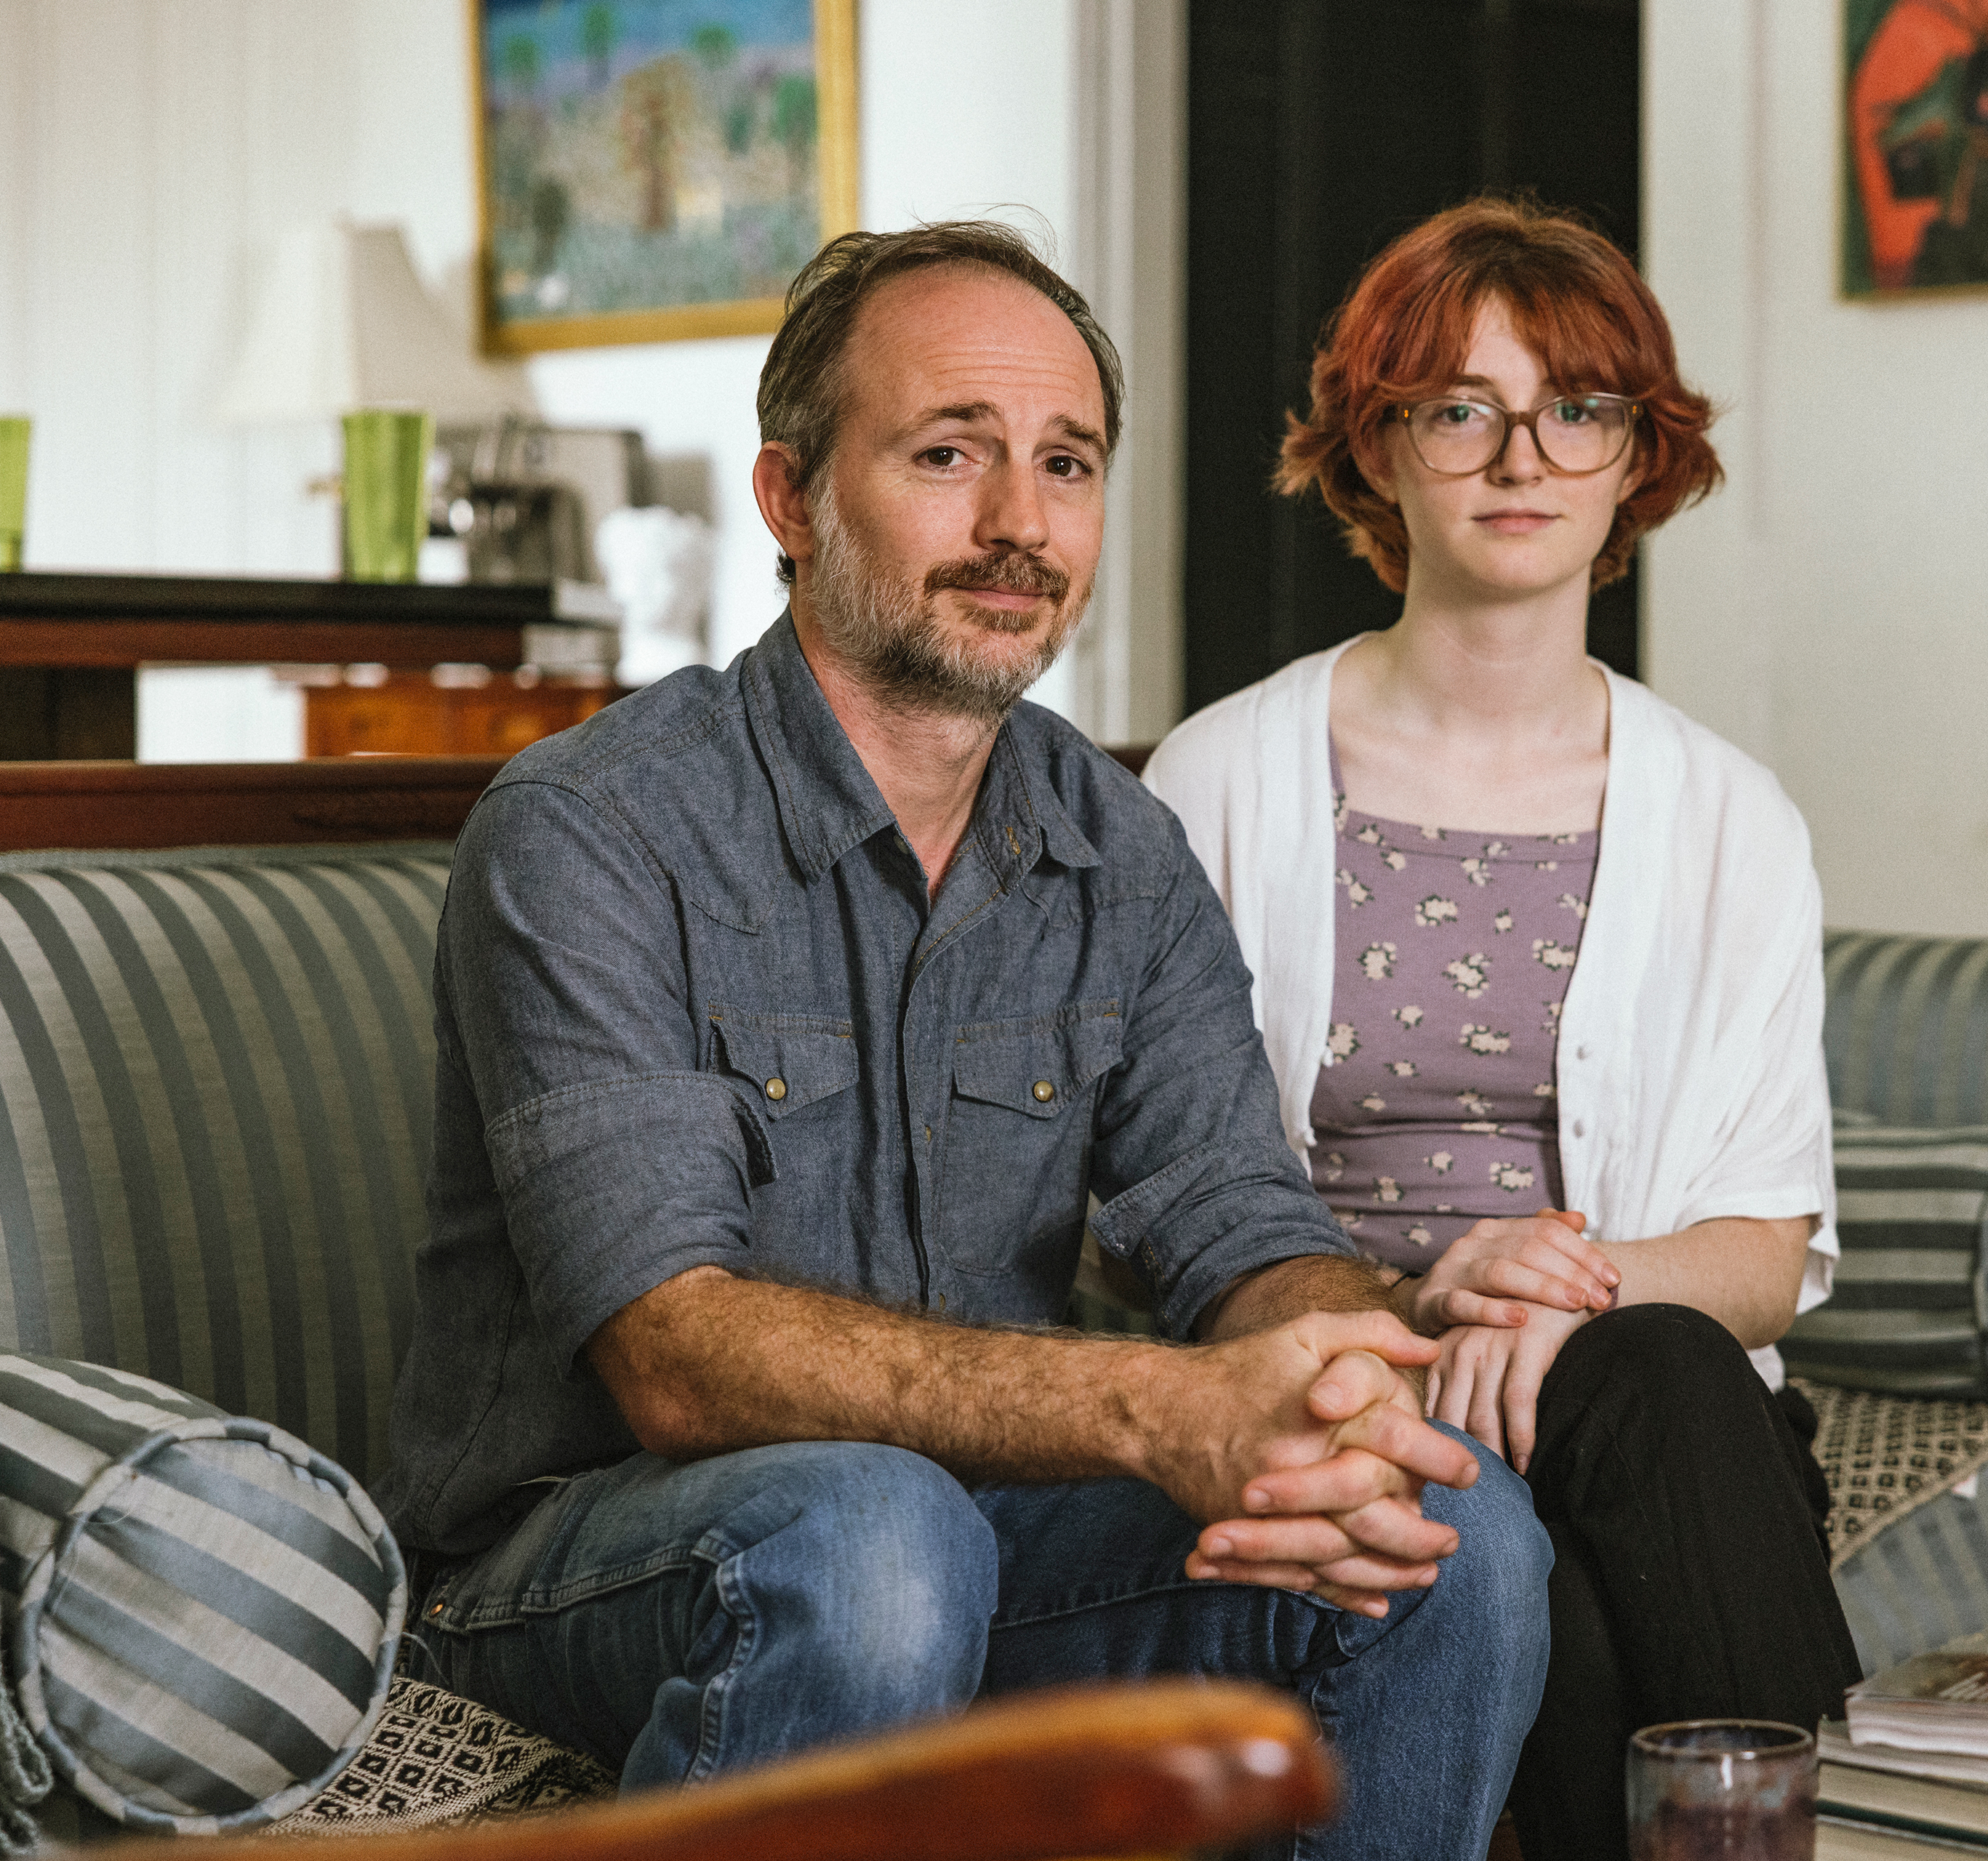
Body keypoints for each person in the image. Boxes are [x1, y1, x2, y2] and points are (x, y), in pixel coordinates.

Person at [373, 221, 1550, 1861]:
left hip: (970, 1532)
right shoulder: (593, 827)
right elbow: (674, 1352)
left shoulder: (1115, 842)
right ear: (793, 500)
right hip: (584, 1558)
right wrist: (1159, 1409)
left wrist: (1338, 1381)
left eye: (1066, 465)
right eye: (950, 454)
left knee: (1452, 1524)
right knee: (870, 1530)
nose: (1020, 524)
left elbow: (1242, 1221)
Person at [1143, 197, 1866, 1861]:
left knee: (1660, 1365)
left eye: (1579, 407)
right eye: (1460, 407)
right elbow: (1139, 1211)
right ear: (1378, 447)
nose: (1520, 454)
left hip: (1657, 1399)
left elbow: (1766, 1247)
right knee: (1528, 1546)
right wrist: (1421, 1305)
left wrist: (1545, 1302)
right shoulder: (1213, 781)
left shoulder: (1733, 817)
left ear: (1636, 457)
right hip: (1341, 1385)